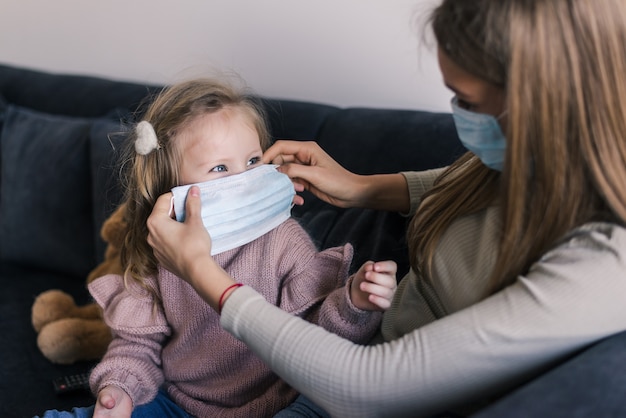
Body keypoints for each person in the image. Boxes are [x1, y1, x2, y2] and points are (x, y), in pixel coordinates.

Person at [144, 0, 626, 417]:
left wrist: (199, 271)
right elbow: (462, 184)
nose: (455, 111)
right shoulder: (526, 160)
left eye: (466, 99)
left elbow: (362, 388)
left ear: (546, 105)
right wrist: (359, 187)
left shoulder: (605, 262)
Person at [37, 78, 397, 418]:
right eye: (220, 167)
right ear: (170, 184)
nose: (243, 179)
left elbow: (319, 338)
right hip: (181, 402)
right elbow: (137, 346)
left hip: (280, 402)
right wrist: (120, 389)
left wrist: (354, 304)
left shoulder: (283, 240)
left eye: (253, 161)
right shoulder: (162, 251)